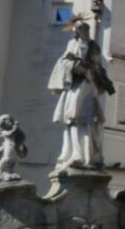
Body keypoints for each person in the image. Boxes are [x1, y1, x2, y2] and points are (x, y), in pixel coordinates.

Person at [48, 16, 114, 170]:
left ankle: (89, 155)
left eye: (87, 28)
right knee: (72, 119)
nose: (85, 31)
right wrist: (75, 65)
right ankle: (73, 154)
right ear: (76, 31)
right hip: (75, 85)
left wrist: (100, 76)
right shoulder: (72, 44)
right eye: (82, 29)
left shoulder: (93, 46)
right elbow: (63, 62)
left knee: (90, 120)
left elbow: (98, 66)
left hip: (88, 85)